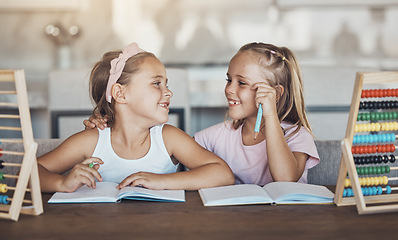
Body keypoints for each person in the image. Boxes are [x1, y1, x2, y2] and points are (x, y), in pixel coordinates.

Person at [84, 42, 319, 186]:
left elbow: (286, 178)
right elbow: (161, 151)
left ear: (275, 93)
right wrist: (111, 126)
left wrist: (270, 116)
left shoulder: (298, 135)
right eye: (229, 80)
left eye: (242, 83)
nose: (229, 89)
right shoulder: (213, 137)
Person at [38, 42, 234, 193]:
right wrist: (62, 183)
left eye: (166, 84)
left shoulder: (168, 138)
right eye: (157, 83)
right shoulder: (90, 140)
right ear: (121, 94)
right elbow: (29, 172)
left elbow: (223, 174)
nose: (168, 93)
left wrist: (160, 181)